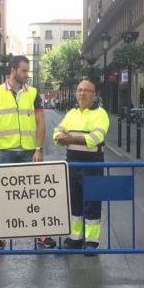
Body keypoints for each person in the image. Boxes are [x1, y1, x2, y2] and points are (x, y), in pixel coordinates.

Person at [0, 55, 53, 250]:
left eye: (27, 71)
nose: (26, 74)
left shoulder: (33, 93)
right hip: (4, 152)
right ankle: (1, 234)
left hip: (29, 151)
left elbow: (41, 123)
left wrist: (38, 149)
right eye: (23, 71)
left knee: (34, 194)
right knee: (3, 194)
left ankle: (42, 234)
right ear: (13, 70)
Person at [53, 79, 109, 251]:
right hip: (72, 163)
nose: (82, 93)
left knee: (92, 202)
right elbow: (57, 133)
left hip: (92, 164)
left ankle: (91, 241)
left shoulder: (101, 114)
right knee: (74, 201)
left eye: (86, 90)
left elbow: (95, 138)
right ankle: (74, 239)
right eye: (79, 90)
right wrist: (60, 138)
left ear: (94, 95)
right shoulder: (71, 113)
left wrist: (68, 138)